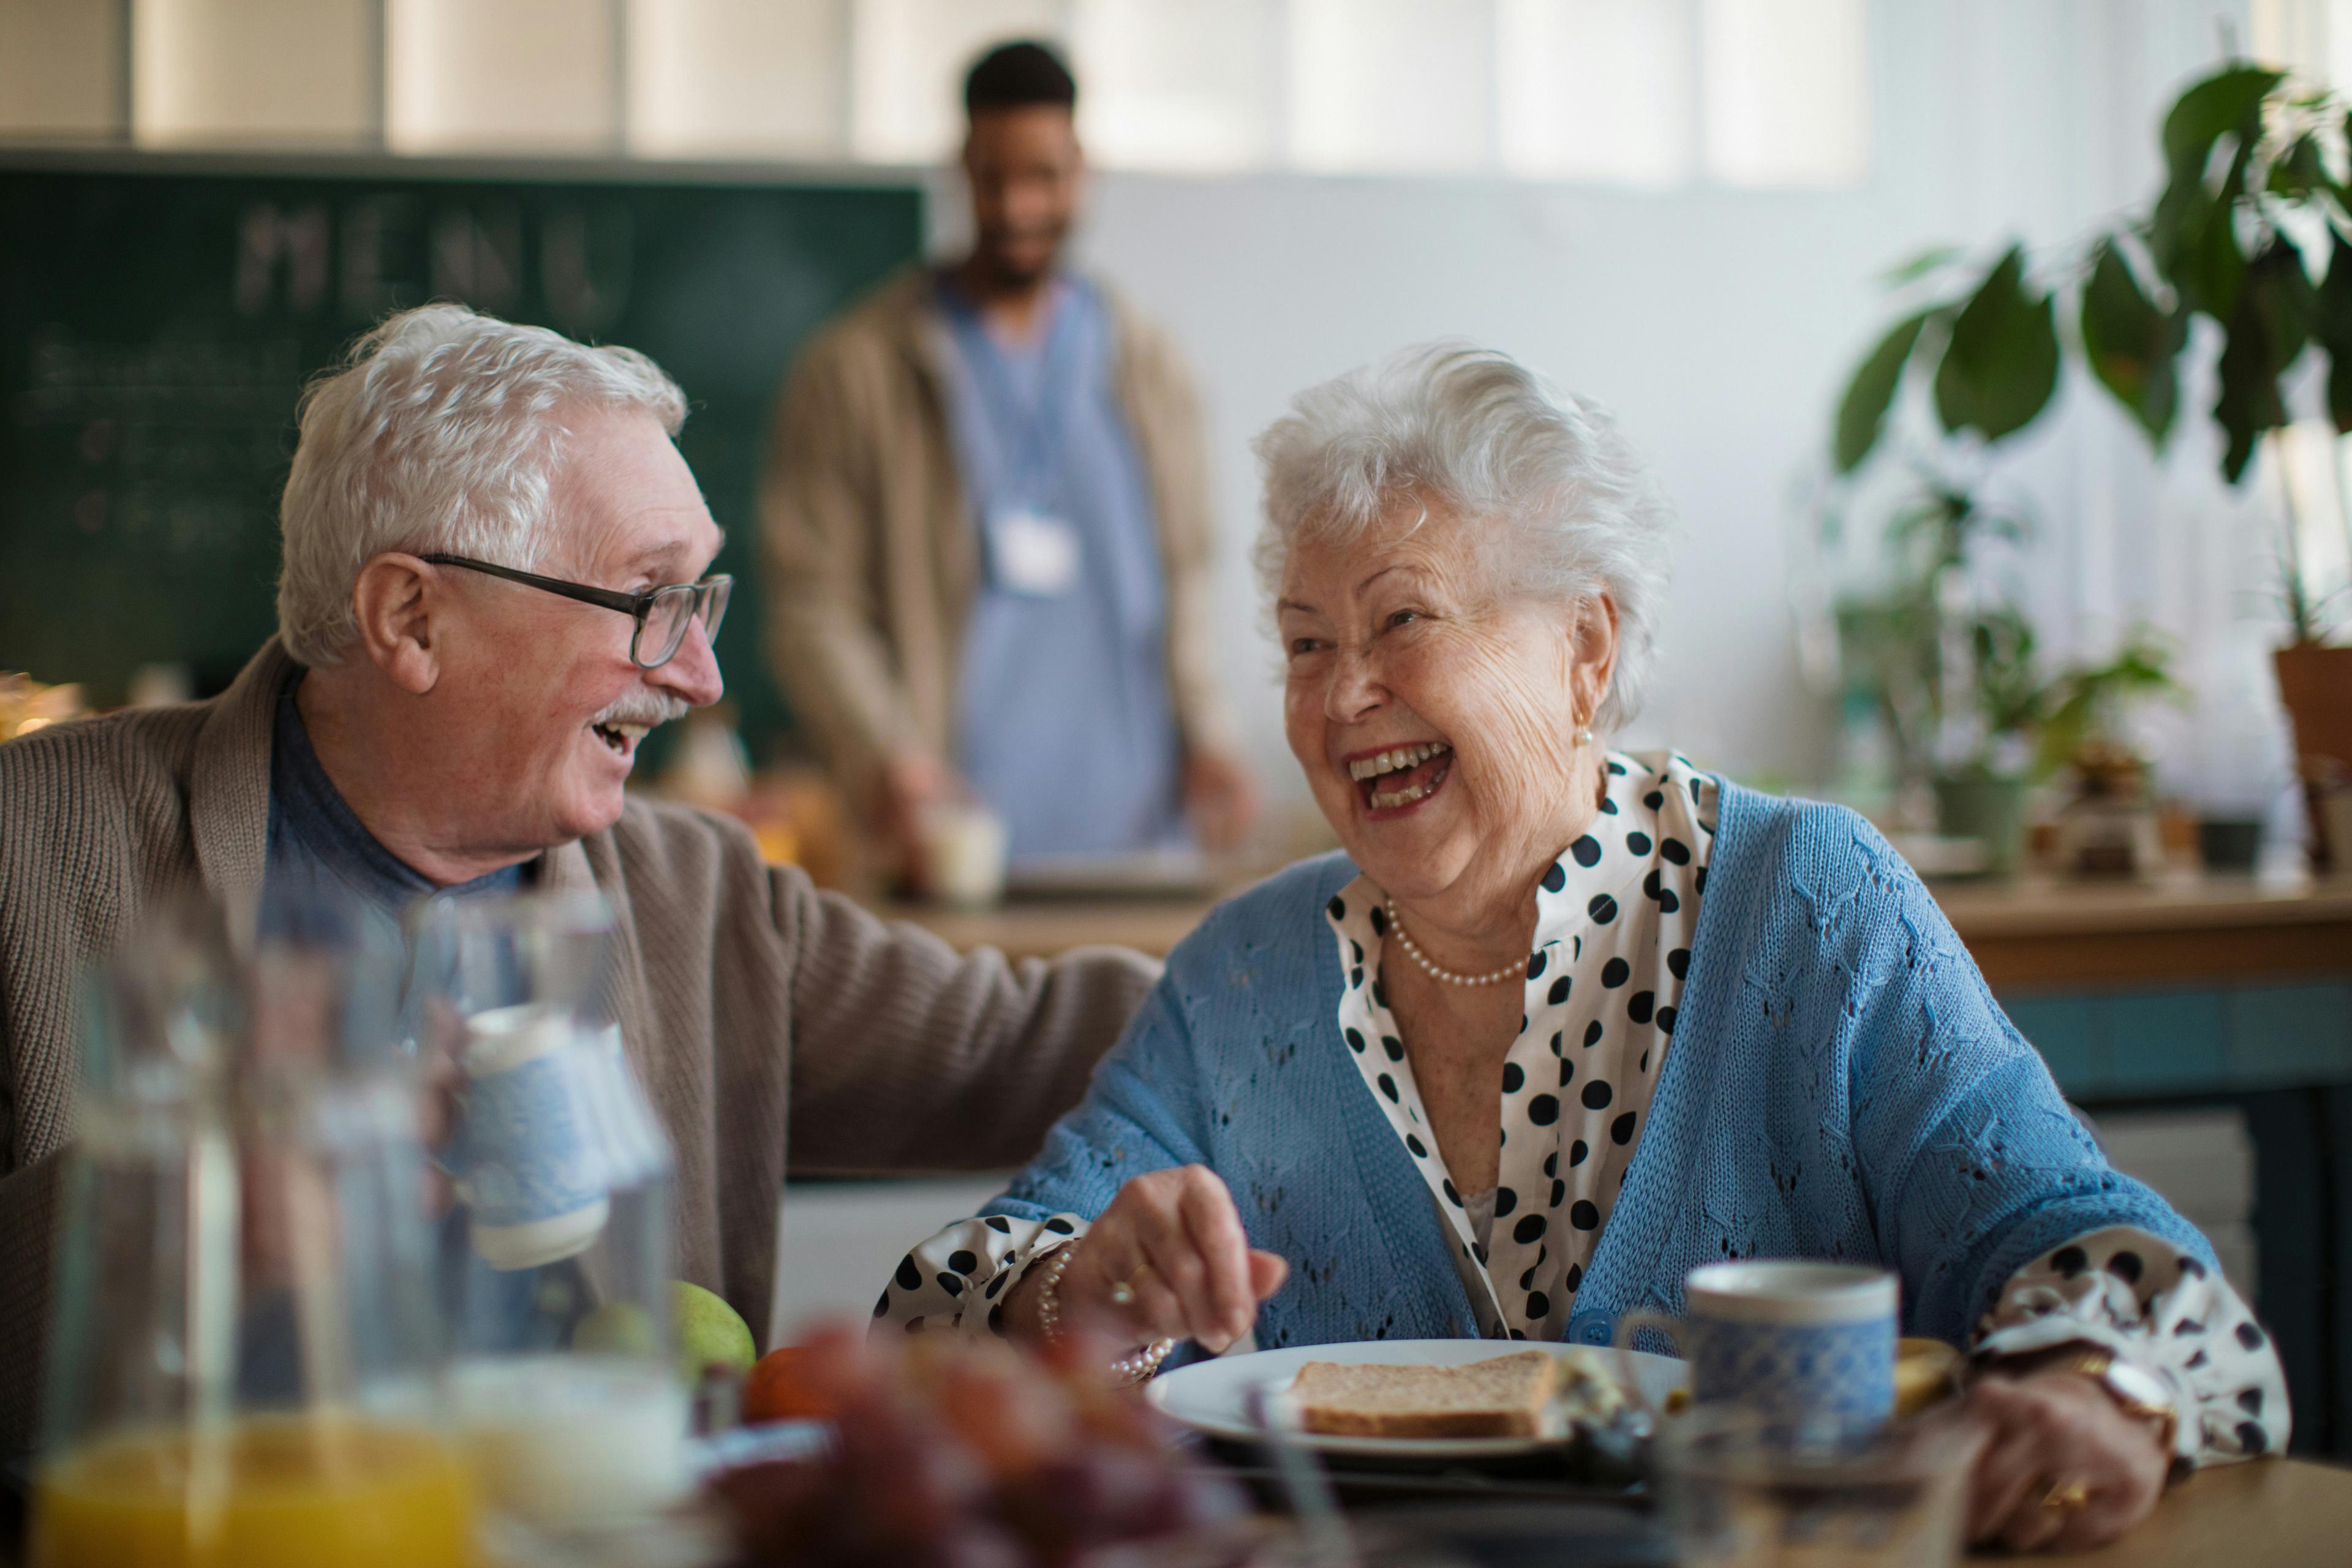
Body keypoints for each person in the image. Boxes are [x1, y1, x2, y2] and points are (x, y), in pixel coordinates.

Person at [878, 345, 2291, 1553]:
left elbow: (2082, 1239)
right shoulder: (1243, 972)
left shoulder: (1813, 903)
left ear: (1587, 649)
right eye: (1306, 643)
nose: (1341, 693)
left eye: (1402, 619)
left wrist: (2099, 1385)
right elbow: (949, 1305)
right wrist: (1081, 1290)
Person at [0, 303, 1156, 1468]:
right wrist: (165, 1218)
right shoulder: (31, 843)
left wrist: (1338, 934)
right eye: (651, 600)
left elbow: (1045, 1040)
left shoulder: (697, 898)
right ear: (412, 617)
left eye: (702, 601)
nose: (700, 677)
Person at [760, 39, 1257, 879]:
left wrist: (1211, 736)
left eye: (1045, 178)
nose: (1020, 206)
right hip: (947, 856)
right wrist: (886, 755)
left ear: (1083, 171)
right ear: (961, 168)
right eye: (995, 179)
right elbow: (812, 603)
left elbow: (1188, 578)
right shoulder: (858, 372)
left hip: (1142, 852)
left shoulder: (1150, 367)